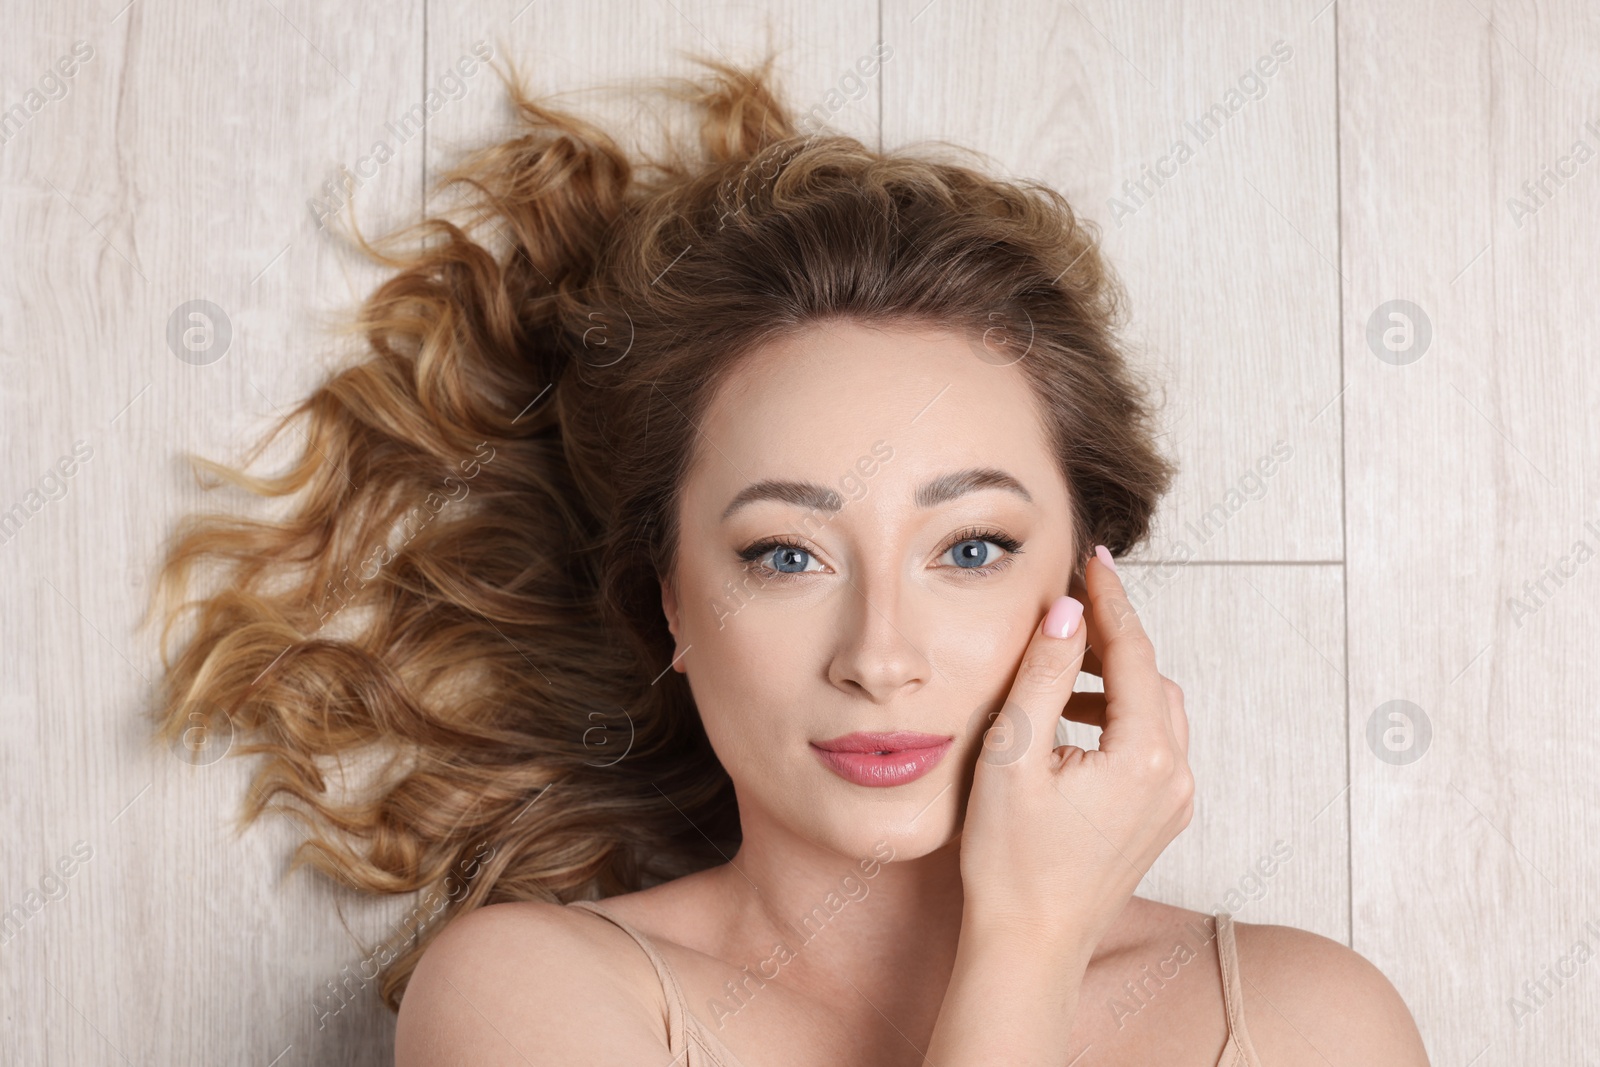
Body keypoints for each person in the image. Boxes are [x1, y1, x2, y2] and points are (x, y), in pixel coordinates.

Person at [146, 51, 1430, 1066]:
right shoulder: (532, 998)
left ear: (1087, 590)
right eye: (785, 554)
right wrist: (1027, 947)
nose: (880, 656)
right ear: (671, 605)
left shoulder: (1307, 1020)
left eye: (970, 545)